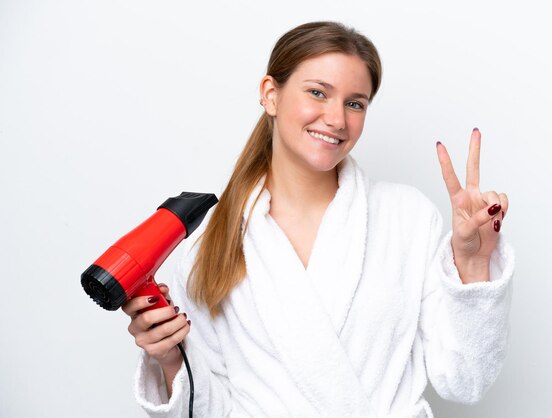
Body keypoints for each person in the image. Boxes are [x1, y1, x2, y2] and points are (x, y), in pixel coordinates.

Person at [123, 21, 514, 418]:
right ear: (270, 95)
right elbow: (209, 411)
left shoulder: (407, 218)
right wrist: (170, 360)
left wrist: (472, 263)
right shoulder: (211, 241)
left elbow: (465, 380)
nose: (337, 119)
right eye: (317, 93)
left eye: (355, 103)